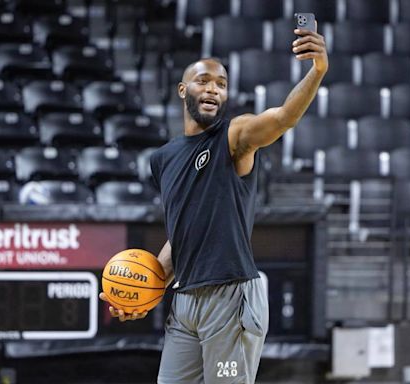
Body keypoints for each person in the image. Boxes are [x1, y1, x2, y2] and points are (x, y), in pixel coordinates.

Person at [100, 25, 328, 383]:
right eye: (203, 81)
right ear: (182, 90)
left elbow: (284, 117)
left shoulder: (234, 136)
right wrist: (142, 292)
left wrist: (317, 71)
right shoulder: (163, 159)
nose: (213, 89)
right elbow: (183, 235)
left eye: (221, 84)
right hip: (185, 300)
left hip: (231, 294)